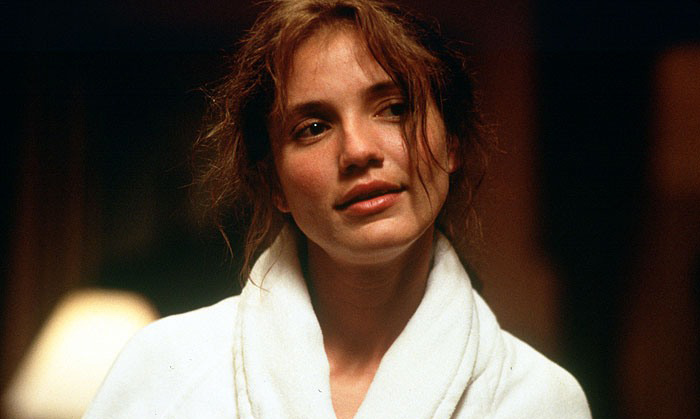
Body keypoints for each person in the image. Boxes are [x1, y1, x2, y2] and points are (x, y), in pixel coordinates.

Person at [84, 0, 591, 418]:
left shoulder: (540, 400)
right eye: (313, 128)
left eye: (394, 108)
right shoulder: (163, 371)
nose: (358, 150)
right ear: (273, 183)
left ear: (452, 141)